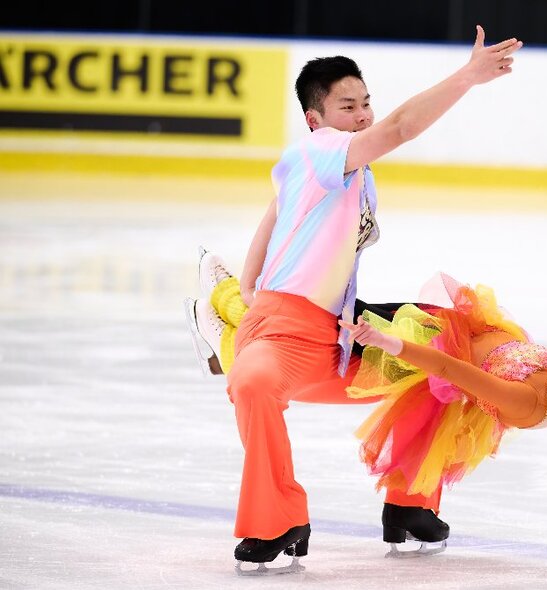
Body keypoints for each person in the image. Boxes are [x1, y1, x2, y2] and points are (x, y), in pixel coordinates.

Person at [185, 26, 524, 572]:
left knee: (450, 353)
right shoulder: (324, 150)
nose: (363, 115)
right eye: (348, 106)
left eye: (366, 102)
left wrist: (249, 281)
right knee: (251, 382)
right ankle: (281, 518)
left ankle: (411, 505)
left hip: (337, 337)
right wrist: (467, 76)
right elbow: (403, 127)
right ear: (315, 119)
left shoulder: (347, 171)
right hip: (286, 335)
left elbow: (275, 212)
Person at [339, 178, 547, 540]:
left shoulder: (528, 402)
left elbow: (448, 367)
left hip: (436, 352)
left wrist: (389, 342)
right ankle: (407, 511)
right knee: (355, 310)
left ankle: (406, 511)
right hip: (467, 332)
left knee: (351, 318)